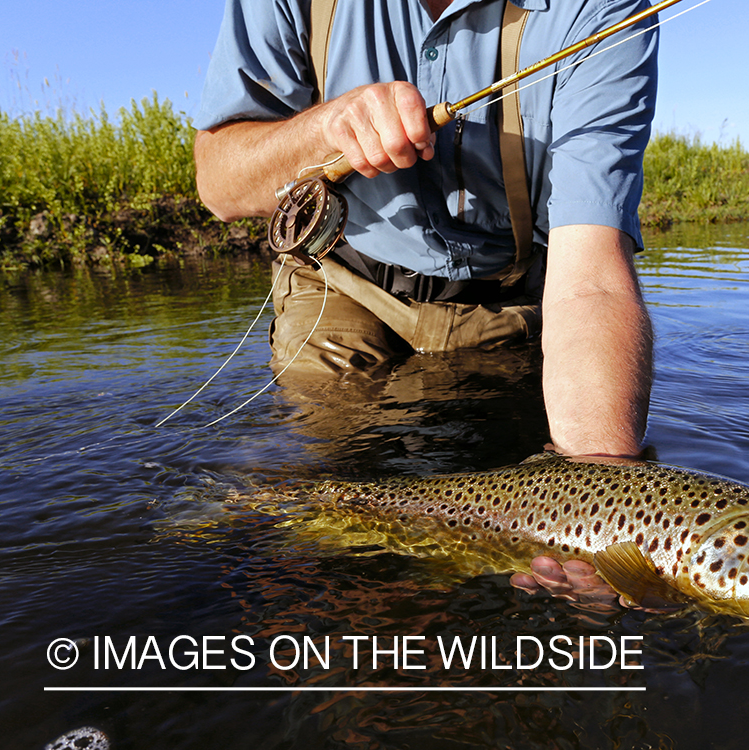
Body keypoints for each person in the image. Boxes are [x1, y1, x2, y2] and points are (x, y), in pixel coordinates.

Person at [193, 0, 658, 601]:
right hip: (339, 277)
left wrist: (601, 512)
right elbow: (219, 184)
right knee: (310, 483)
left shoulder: (601, 10)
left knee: (525, 491)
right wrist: (324, 127)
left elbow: (591, 276)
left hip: (503, 295)